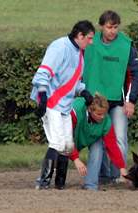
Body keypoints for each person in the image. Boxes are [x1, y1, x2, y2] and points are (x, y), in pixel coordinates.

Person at [30, 20, 95, 190]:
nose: (91, 42)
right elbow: (43, 73)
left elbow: (74, 82)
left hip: (65, 105)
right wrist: (42, 97)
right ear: (79, 36)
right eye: (89, 38)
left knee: (67, 146)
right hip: (51, 101)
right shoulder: (59, 47)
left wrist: (83, 92)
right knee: (58, 144)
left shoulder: (80, 53)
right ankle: (43, 183)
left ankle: (60, 183)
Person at [83, 10, 138, 184]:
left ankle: (118, 176)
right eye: (109, 27)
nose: (112, 31)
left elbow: (136, 74)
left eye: (115, 27)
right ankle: (102, 176)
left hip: (118, 100)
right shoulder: (90, 42)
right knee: (97, 138)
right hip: (95, 100)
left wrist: (131, 100)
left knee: (119, 137)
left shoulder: (127, 46)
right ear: (101, 26)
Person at [67, 94, 126, 191]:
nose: (102, 117)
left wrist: (122, 167)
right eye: (99, 114)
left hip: (92, 137)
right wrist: (76, 158)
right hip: (70, 137)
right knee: (58, 154)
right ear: (90, 110)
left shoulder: (106, 121)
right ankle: (43, 182)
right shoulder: (76, 112)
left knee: (98, 147)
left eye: (104, 114)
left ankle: (91, 185)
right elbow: (66, 137)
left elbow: (112, 146)